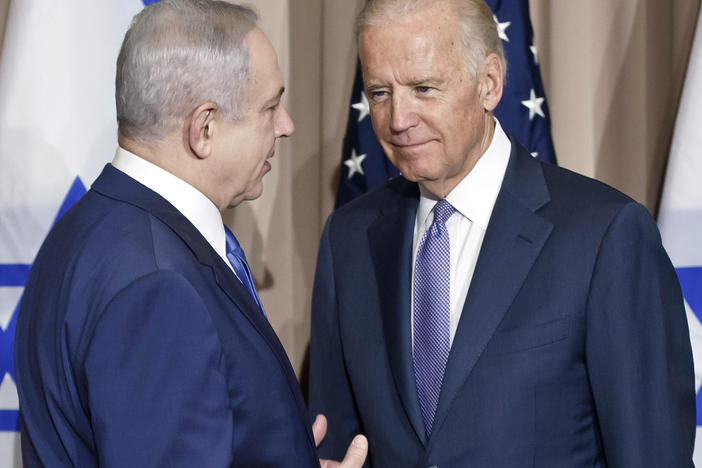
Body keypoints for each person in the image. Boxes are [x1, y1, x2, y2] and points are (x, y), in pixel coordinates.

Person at [308, 0, 695, 466]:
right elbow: (336, 446)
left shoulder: (604, 235)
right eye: (380, 92)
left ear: (489, 83)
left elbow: (650, 454)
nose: (398, 120)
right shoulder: (348, 239)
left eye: (424, 88)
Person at [14, 1, 366, 466]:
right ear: (204, 128)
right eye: (270, 106)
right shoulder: (157, 286)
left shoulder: (86, 229)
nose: (286, 126)